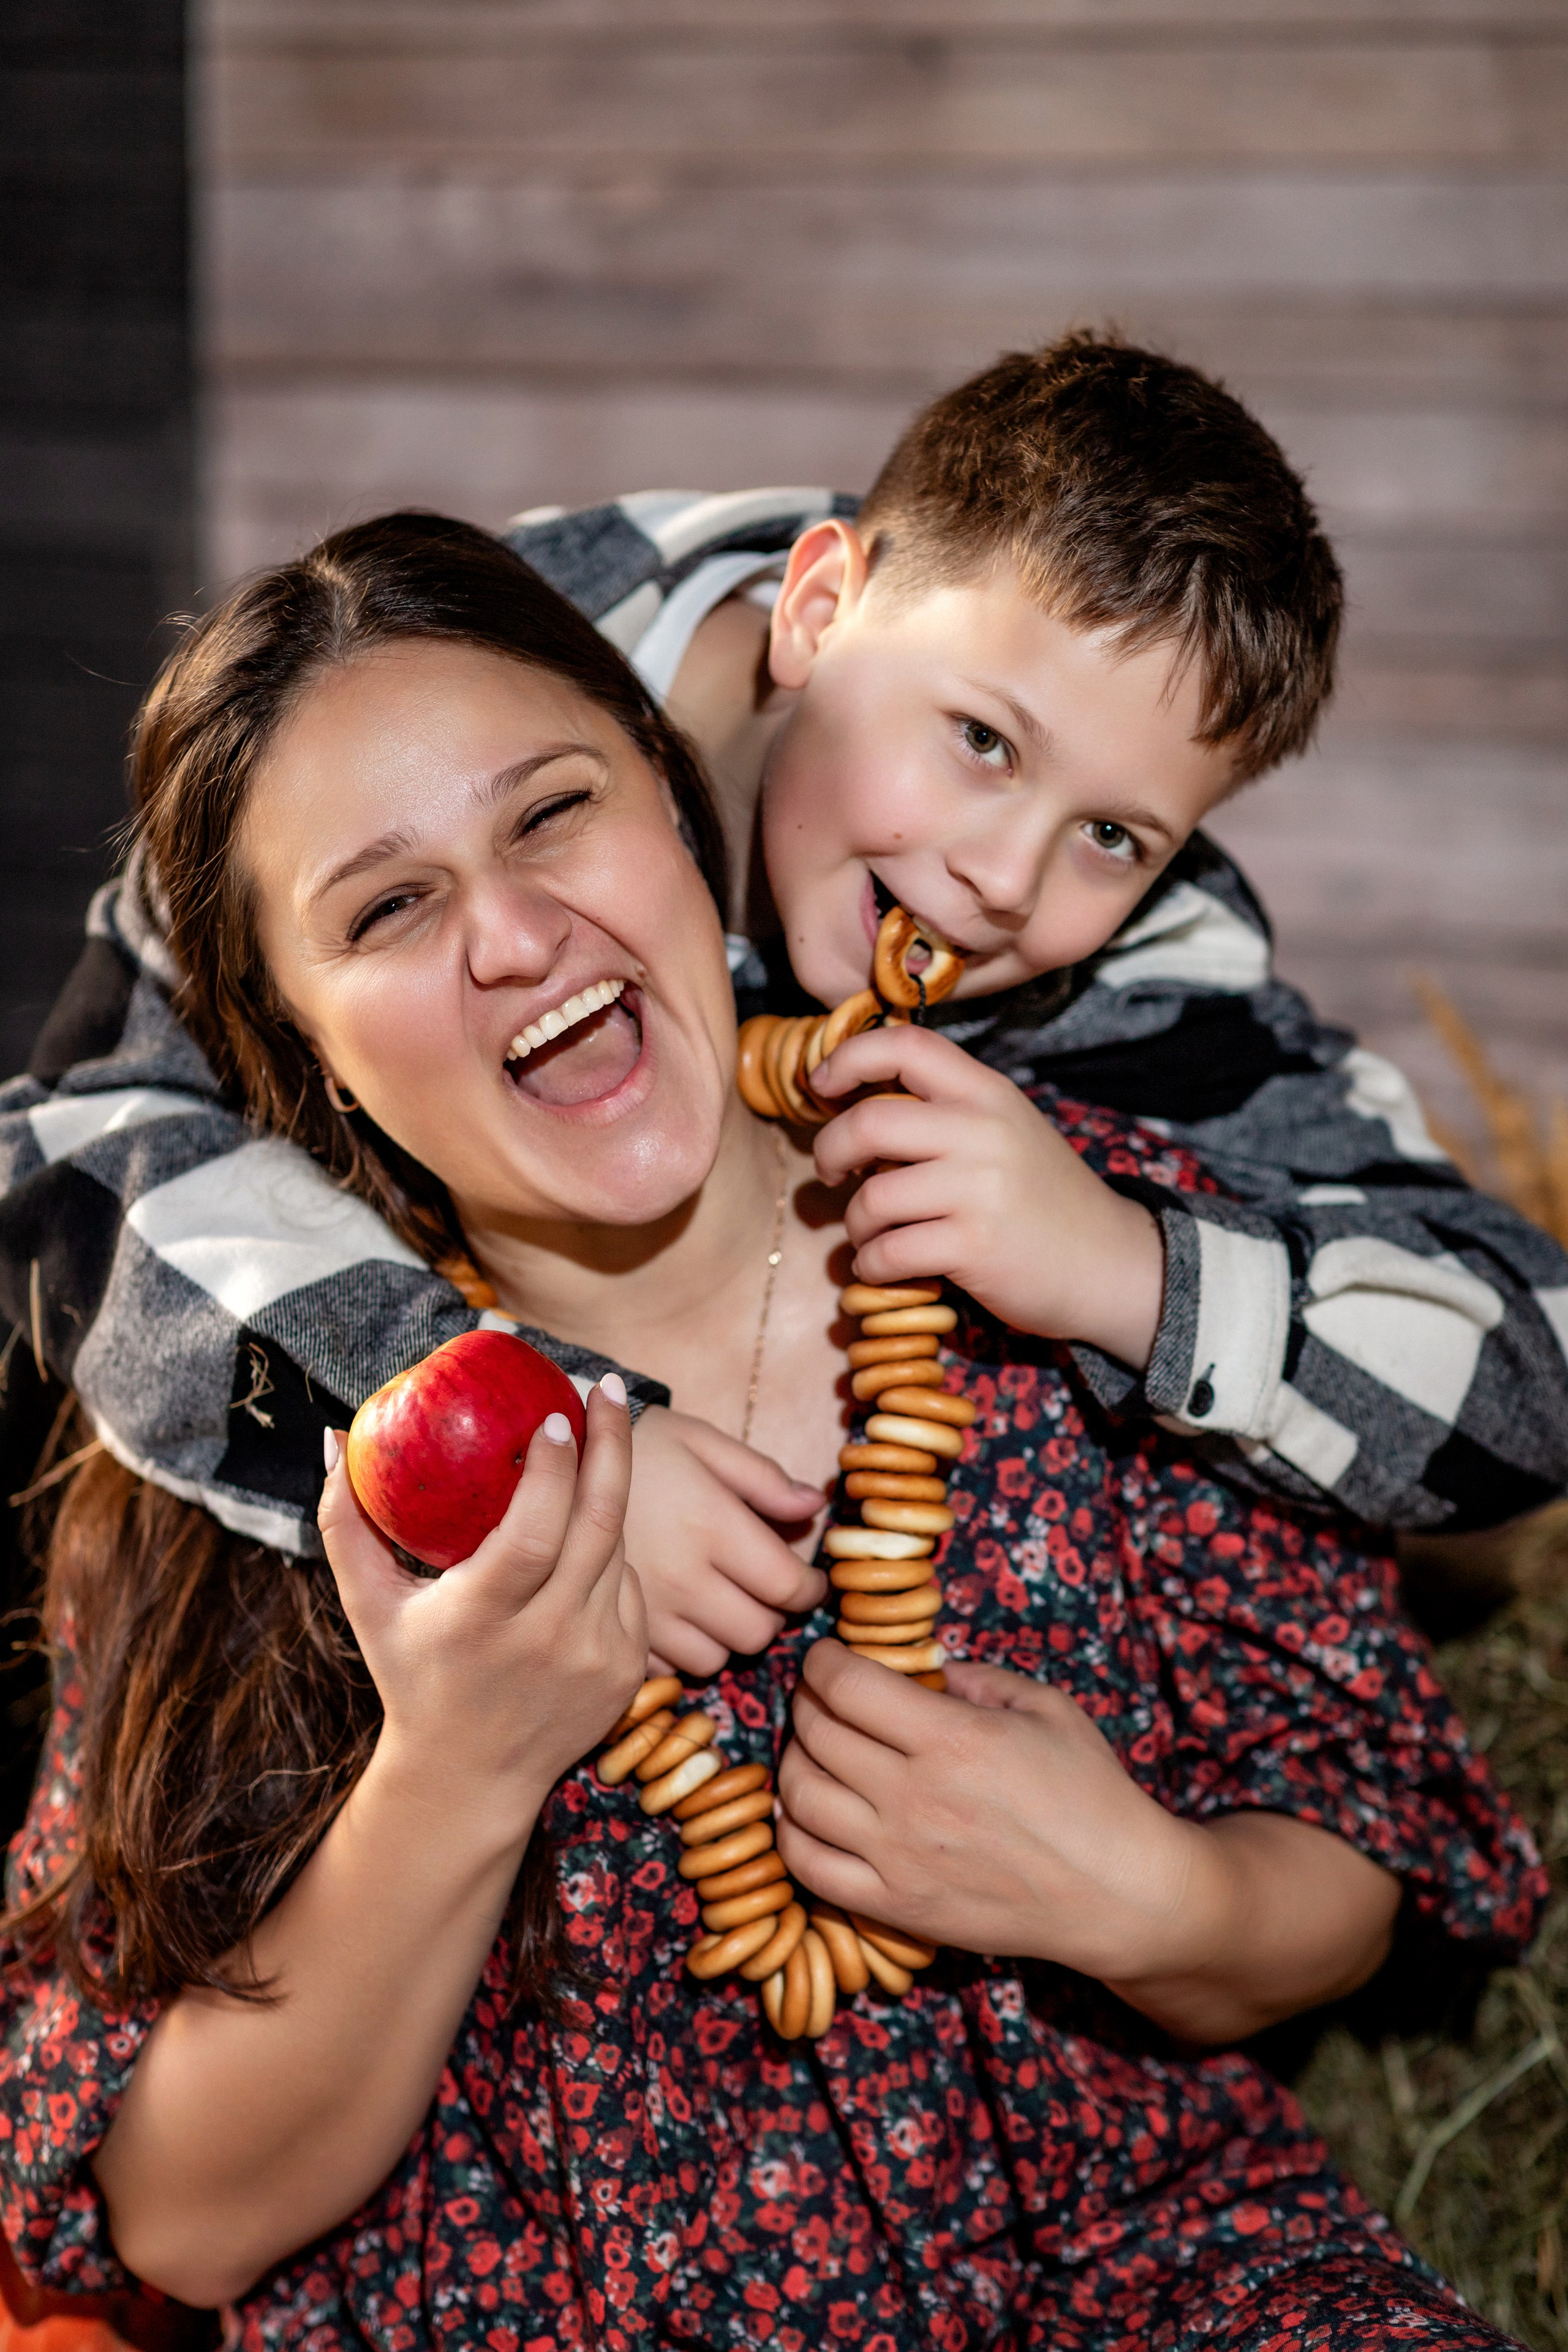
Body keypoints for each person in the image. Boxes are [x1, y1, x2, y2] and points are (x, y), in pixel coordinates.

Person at [0, 519, 1545, 2346]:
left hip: (1157, 2275)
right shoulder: (250, 1447)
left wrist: (1151, 1887)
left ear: (679, 815)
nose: (509, 935)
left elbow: (1356, 1869)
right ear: (305, 1052)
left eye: (553, 813)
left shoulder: (1055, 1239)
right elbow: (173, 2221)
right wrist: (459, 1772)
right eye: (386, 907)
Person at [7, 337, 1566, 1695]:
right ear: (819, 607)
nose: (1006, 880)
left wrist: (1127, 1267)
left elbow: (1530, 1368)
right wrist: (538, 1439)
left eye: (1116, 836)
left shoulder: (1138, 963)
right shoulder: (418, 699)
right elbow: (71, 1146)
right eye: (978, 741)